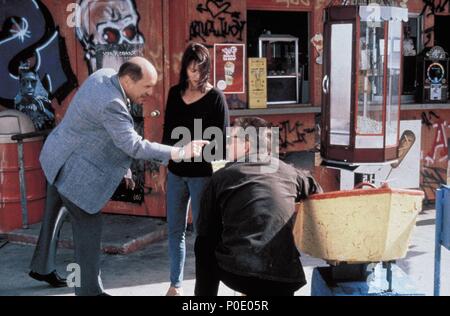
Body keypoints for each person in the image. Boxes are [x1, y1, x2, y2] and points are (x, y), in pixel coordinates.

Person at [32, 57, 208, 296]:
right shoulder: (112, 103)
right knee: (88, 233)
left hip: (57, 157)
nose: (150, 92)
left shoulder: (103, 75)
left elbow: (99, 128)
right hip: (76, 174)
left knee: (53, 215)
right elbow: (133, 146)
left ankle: (42, 266)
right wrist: (179, 152)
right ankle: (90, 291)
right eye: (146, 87)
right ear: (127, 79)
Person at [194, 117, 322, 296]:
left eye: (232, 140)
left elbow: (206, 230)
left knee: (204, 243)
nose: (228, 145)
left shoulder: (221, 177)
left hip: (239, 273)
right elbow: (319, 194)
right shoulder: (290, 172)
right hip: (285, 277)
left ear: (247, 146)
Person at [161, 43, 229, 296]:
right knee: (175, 231)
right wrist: (163, 169)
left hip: (203, 176)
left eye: (200, 70)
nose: (196, 75)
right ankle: (175, 285)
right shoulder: (173, 93)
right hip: (176, 173)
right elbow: (167, 134)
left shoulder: (216, 98)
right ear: (185, 69)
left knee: (204, 235)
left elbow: (221, 143)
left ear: (207, 70)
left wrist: (202, 151)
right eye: (191, 69)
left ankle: (204, 289)